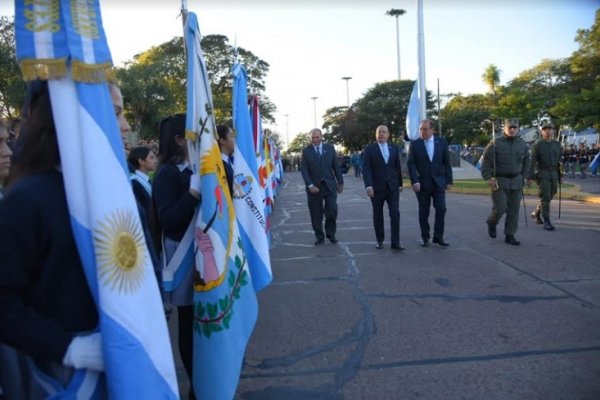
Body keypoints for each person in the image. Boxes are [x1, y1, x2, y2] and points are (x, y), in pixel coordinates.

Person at [0, 80, 104, 398]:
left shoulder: (106, 193)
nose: (125, 126)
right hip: (61, 376)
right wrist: (69, 347)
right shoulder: (27, 199)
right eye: (114, 113)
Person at [152, 113, 201, 393]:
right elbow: (168, 220)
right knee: (189, 322)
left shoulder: (194, 167)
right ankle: (196, 384)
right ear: (180, 139)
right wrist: (192, 195)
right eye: (193, 135)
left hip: (204, 252)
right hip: (183, 253)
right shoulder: (167, 173)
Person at [481, 118, 530, 245]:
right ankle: (492, 222)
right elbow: (486, 162)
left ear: (518, 128)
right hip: (500, 181)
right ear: (505, 128)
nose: (512, 129)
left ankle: (510, 234)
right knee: (501, 207)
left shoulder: (522, 144)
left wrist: (524, 177)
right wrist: (488, 177)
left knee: (514, 210)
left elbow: (526, 162)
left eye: (515, 127)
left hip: (516, 181)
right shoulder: (495, 143)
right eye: (510, 127)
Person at [407, 119, 453, 247]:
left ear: (432, 130)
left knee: (441, 209)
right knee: (424, 211)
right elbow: (411, 164)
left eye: (425, 129)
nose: (423, 132)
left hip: (438, 183)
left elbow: (447, 163)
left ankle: (438, 237)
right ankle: (425, 237)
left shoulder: (442, 142)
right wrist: (414, 181)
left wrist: (449, 180)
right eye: (421, 129)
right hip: (422, 184)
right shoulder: (415, 144)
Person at [362, 125, 404, 250]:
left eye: (384, 132)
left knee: (395, 213)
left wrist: (400, 184)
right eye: (379, 132)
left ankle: (395, 242)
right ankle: (380, 240)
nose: (381, 134)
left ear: (388, 134)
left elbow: (397, 167)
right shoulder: (370, 149)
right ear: (376, 134)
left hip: (392, 188)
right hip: (376, 188)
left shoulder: (394, 148)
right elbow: (366, 169)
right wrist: (368, 186)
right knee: (378, 214)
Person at [300, 128, 344, 245]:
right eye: (312, 138)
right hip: (314, 188)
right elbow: (304, 170)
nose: (315, 140)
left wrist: (340, 182)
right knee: (316, 213)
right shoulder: (306, 151)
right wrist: (310, 185)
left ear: (321, 136)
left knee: (332, 210)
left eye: (317, 137)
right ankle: (319, 236)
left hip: (330, 186)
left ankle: (331, 234)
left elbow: (336, 166)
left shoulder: (329, 148)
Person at [528, 122, 562, 231]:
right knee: (546, 197)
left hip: (554, 173)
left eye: (550, 129)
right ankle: (547, 221)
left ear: (553, 131)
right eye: (545, 129)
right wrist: (530, 176)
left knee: (551, 194)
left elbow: (559, 162)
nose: (547, 131)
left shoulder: (557, 144)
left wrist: (560, 175)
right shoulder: (538, 145)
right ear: (542, 132)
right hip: (543, 174)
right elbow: (532, 161)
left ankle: (537, 212)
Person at [217, 124, 235, 195]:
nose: (235, 139)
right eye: (232, 136)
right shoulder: (219, 165)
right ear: (223, 141)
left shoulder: (231, 161)